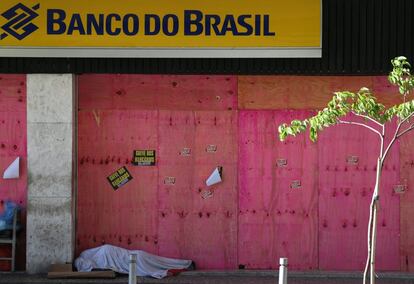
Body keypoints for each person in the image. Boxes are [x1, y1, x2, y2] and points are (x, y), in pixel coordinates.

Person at [74, 244, 195, 279]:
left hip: (135, 260)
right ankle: (186, 263)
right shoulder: (100, 252)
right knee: (161, 262)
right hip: (135, 256)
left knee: (160, 264)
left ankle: (186, 264)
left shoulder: (99, 258)